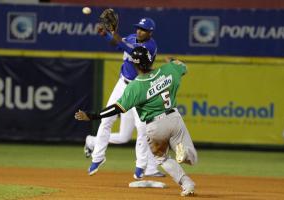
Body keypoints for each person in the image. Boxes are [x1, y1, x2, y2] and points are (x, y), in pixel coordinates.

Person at [75, 46, 198, 196]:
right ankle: (184, 154)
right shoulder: (169, 69)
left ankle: (187, 183)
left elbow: (116, 109)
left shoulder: (136, 86)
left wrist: (93, 115)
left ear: (134, 64)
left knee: (162, 158)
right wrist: (172, 60)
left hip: (155, 126)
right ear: (151, 59)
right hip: (174, 117)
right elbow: (182, 66)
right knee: (192, 159)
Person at [83, 16, 164, 179]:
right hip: (123, 84)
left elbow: (130, 49)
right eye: (138, 28)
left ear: (150, 33)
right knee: (106, 119)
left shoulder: (150, 46)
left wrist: (114, 33)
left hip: (139, 88)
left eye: (143, 30)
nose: (139, 31)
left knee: (142, 128)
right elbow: (117, 44)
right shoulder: (132, 37)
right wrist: (105, 35)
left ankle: (141, 166)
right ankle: (97, 158)